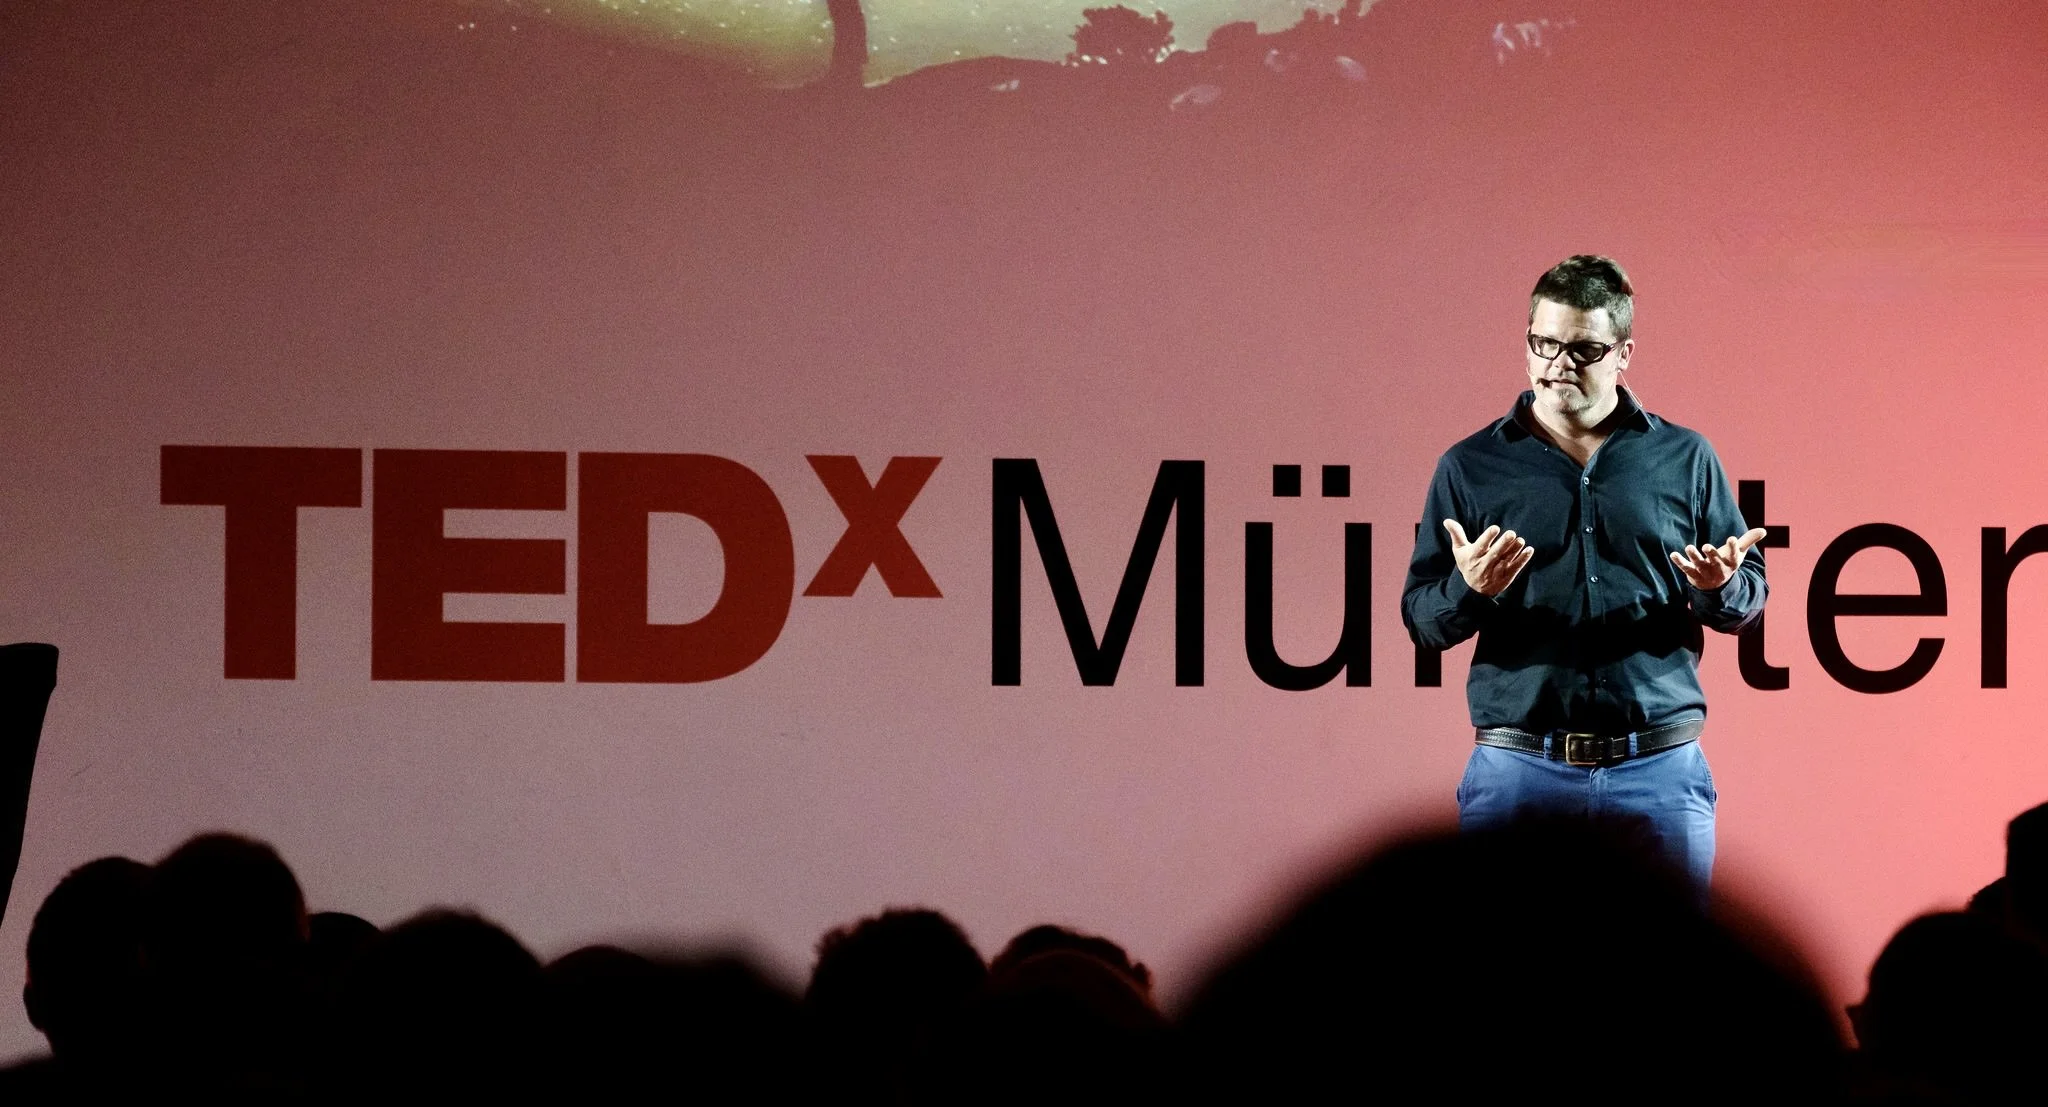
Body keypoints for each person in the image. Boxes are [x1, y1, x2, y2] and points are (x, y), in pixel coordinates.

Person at [1400, 255, 1765, 887]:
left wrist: (1719, 588)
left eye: (1584, 349)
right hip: (1519, 776)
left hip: (1658, 773)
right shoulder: (1469, 466)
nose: (1558, 363)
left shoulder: (1685, 458)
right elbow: (1423, 621)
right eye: (1543, 343)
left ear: (1624, 353)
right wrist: (1470, 591)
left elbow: (1749, 599)